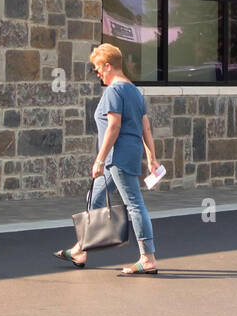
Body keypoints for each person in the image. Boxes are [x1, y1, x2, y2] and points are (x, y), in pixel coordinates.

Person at [54, 43, 162, 275]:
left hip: (117, 158)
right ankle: (80, 249)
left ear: (108, 65)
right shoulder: (133, 90)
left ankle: (148, 257)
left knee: (134, 204)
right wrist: (152, 157)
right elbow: (146, 127)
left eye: (97, 69)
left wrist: (99, 160)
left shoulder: (114, 91)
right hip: (126, 156)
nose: (98, 73)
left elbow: (114, 126)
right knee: (94, 197)